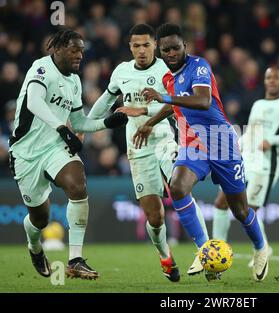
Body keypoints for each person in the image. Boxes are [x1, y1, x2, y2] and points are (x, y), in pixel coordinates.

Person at [133, 23, 269, 282]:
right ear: (160, 52)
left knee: (239, 210)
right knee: (178, 187)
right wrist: (150, 123)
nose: (171, 53)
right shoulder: (168, 79)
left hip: (220, 141)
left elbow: (202, 101)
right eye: (166, 50)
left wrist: (163, 97)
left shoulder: (199, 66)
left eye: (175, 47)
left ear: (185, 46)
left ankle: (261, 248)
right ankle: (204, 251)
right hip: (193, 143)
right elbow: (176, 106)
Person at [88, 23, 208, 282]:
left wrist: (143, 112)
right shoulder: (121, 72)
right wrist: (83, 126)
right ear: (129, 47)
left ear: (155, 45)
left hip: (165, 140)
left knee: (181, 188)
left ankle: (206, 251)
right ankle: (165, 255)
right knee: (155, 217)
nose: (141, 50)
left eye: (146, 45)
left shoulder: (168, 69)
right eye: (136, 45)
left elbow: (177, 106)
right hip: (138, 149)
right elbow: (106, 102)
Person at [9, 29, 128, 280]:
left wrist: (109, 122)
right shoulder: (41, 68)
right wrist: (62, 128)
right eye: (74, 50)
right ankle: (34, 246)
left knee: (78, 184)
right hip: (25, 152)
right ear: (58, 49)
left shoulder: (74, 81)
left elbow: (80, 122)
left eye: (82, 50)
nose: (79, 55)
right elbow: (34, 101)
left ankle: (75, 260)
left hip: (54, 147)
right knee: (40, 219)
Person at [212, 67, 279, 267]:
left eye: (276, 78)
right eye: (268, 77)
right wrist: (238, 145)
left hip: (265, 164)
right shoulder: (258, 104)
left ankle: (261, 249)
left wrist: (272, 139)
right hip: (246, 159)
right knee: (221, 202)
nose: (271, 80)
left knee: (248, 210)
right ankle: (217, 250)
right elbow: (251, 132)